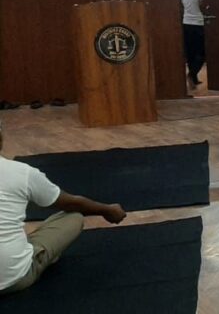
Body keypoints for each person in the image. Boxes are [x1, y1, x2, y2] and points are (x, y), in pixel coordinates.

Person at [0, 121, 127, 295]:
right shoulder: (22, 173)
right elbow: (71, 203)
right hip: (13, 278)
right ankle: (35, 256)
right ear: (1, 138)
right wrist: (108, 210)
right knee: (74, 217)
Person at [181, 0, 205, 89]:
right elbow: (201, 3)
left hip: (186, 23)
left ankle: (194, 79)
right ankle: (192, 74)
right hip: (198, 23)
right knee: (202, 53)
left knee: (191, 53)